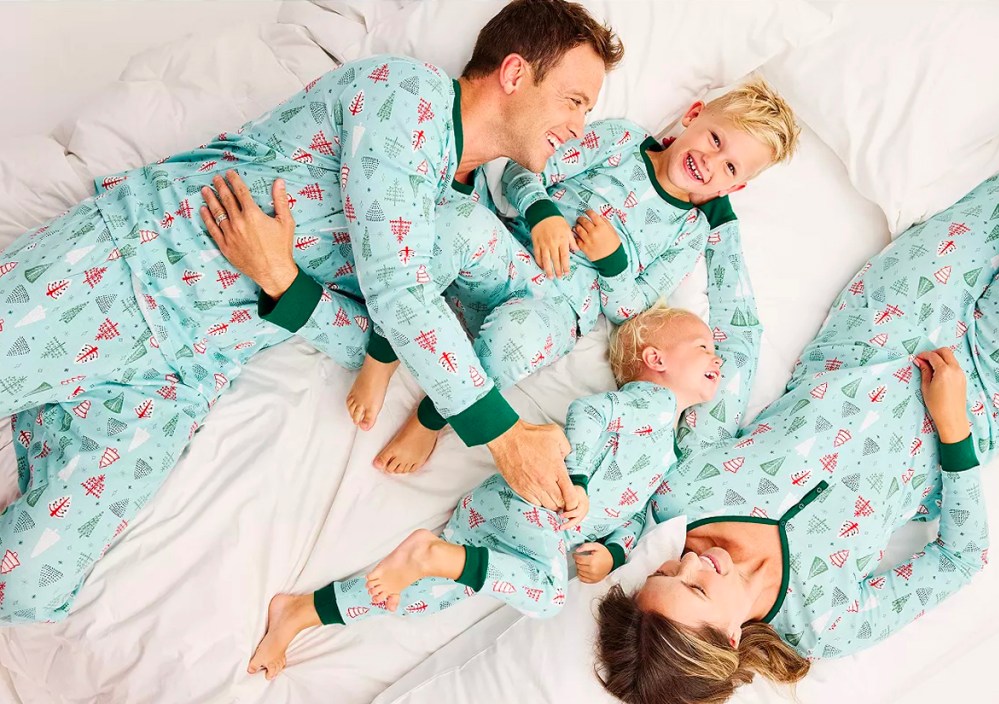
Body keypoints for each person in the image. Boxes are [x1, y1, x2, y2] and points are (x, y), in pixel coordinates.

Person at [0, 0, 622, 624]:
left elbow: (381, 345)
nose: (580, 125)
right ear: (515, 73)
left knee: (27, 587)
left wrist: (285, 282)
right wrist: (505, 434)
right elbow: (397, 294)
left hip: (184, 372)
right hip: (127, 266)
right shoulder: (404, 95)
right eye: (574, 101)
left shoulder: (454, 213)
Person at [245, 211, 762, 679]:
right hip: (534, 503)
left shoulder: (668, 448)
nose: (715, 355)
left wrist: (612, 550)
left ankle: (300, 612)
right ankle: (432, 558)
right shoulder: (649, 404)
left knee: (416, 597)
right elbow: (587, 415)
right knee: (551, 594)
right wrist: (577, 481)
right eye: (703, 347)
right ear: (656, 361)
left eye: (670, 571)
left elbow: (634, 517)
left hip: (517, 542)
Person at [593, 155, 999, 703]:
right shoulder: (823, 623)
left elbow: (739, 344)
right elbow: (960, 559)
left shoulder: (684, 493)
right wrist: (955, 431)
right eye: (696, 586)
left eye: (669, 572)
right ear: (728, 639)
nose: (691, 561)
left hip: (893, 315)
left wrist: (718, 218)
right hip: (985, 396)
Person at [348, 79, 798, 475]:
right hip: (512, 253)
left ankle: (432, 418)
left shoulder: (688, 233)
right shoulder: (622, 141)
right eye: (715, 140)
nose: (712, 162)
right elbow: (526, 168)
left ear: (732, 189)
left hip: (557, 310)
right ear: (694, 116)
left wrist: (613, 261)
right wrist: (542, 213)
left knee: (513, 344)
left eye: (731, 168)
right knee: (456, 223)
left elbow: (632, 309)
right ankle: (384, 349)